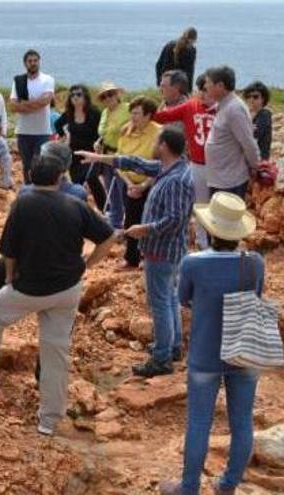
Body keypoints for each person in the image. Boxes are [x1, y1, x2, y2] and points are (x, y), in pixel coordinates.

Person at [0, 154, 116, 437]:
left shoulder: (23, 204)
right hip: (67, 289)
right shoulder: (76, 205)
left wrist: (8, 277)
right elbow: (108, 236)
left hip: (30, 287)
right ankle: (49, 419)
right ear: (60, 178)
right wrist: (88, 266)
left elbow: (10, 251)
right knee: (55, 350)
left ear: (29, 174)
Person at [158, 192, 262, 495]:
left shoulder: (193, 263)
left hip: (205, 351)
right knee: (242, 421)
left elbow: (183, 299)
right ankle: (228, 484)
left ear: (210, 229)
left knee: (199, 422)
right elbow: (256, 296)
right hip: (244, 350)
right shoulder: (254, 263)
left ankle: (189, 487)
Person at [77, 127, 196, 377]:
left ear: (163, 146)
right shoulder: (170, 168)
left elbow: (175, 220)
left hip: (162, 251)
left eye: (156, 142)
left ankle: (162, 358)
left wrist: (145, 229)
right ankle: (171, 346)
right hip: (166, 250)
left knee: (160, 302)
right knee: (169, 298)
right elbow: (136, 163)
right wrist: (100, 159)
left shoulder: (177, 179)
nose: (152, 146)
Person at [0, 142, 89, 309]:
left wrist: (10, 276)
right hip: (64, 259)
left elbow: (13, 236)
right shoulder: (78, 193)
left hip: (28, 256)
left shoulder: (26, 192)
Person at [154, 74, 217, 250]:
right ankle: (203, 244)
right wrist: (142, 110)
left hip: (220, 166)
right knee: (200, 205)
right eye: (201, 90)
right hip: (197, 163)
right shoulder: (191, 106)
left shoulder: (224, 109)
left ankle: (222, 242)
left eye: (207, 90)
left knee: (218, 204)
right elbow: (163, 117)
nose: (203, 94)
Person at [114, 96, 162, 269]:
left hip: (152, 185)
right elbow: (118, 160)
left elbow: (162, 164)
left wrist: (144, 185)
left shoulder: (159, 132)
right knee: (131, 220)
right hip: (128, 185)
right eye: (131, 113)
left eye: (137, 113)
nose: (133, 117)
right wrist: (129, 184)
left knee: (149, 221)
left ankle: (148, 257)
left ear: (148, 115)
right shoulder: (125, 131)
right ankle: (131, 257)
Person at [204, 66, 261, 200]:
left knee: (225, 219)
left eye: (208, 83)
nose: (205, 86)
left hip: (230, 181)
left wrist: (255, 167)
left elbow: (248, 143)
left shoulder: (234, 109)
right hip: (220, 177)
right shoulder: (223, 104)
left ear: (220, 86)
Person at [9, 49, 56, 184]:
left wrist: (24, 105)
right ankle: (29, 191)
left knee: (39, 165)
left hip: (42, 132)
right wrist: (35, 104)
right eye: (30, 61)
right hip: (23, 132)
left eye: (35, 60)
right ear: (25, 63)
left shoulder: (47, 79)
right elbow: (13, 106)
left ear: (39, 62)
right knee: (26, 166)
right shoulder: (18, 81)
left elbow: (45, 101)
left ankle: (39, 190)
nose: (33, 63)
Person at [55, 84, 104, 209]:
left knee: (91, 179)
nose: (75, 97)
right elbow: (58, 124)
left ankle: (105, 208)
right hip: (74, 154)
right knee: (77, 184)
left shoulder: (94, 113)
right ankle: (81, 210)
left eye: (78, 94)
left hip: (91, 154)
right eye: (72, 95)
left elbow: (102, 132)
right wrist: (64, 136)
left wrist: (100, 146)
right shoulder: (68, 114)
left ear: (85, 96)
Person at [96, 82, 130, 230]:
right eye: (104, 96)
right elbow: (104, 132)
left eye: (110, 94)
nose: (108, 98)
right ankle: (116, 223)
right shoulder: (104, 112)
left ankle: (129, 223)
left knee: (125, 190)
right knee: (111, 190)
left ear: (117, 95)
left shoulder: (128, 108)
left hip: (123, 155)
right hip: (107, 156)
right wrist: (99, 141)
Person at [243, 81, 272, 160]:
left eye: (255, 97)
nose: (251, 99)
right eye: (248, 97)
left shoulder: (265, 115)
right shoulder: (246, 114)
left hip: (259, 159)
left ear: (263, 99)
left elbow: (255, 134)